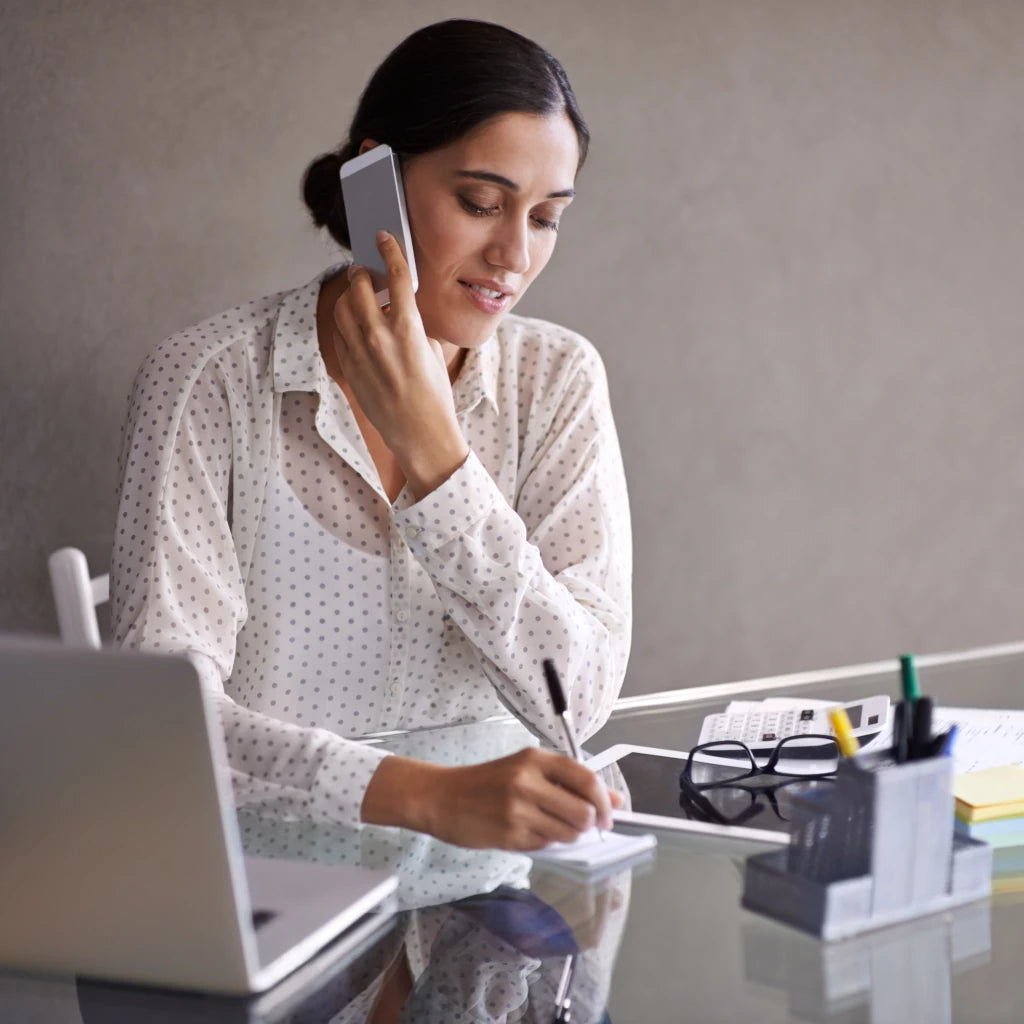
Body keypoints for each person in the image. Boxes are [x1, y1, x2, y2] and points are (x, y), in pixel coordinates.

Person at [111, 19, 632, 852]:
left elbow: (581, 692)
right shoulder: (208, 378)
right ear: (372, 182)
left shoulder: (556, 380)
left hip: (493, 893)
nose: (513, 255)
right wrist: (419, 796)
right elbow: (162, 719)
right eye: (480, 203)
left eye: (546, 218)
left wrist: (439, 461)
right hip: (263, 888)